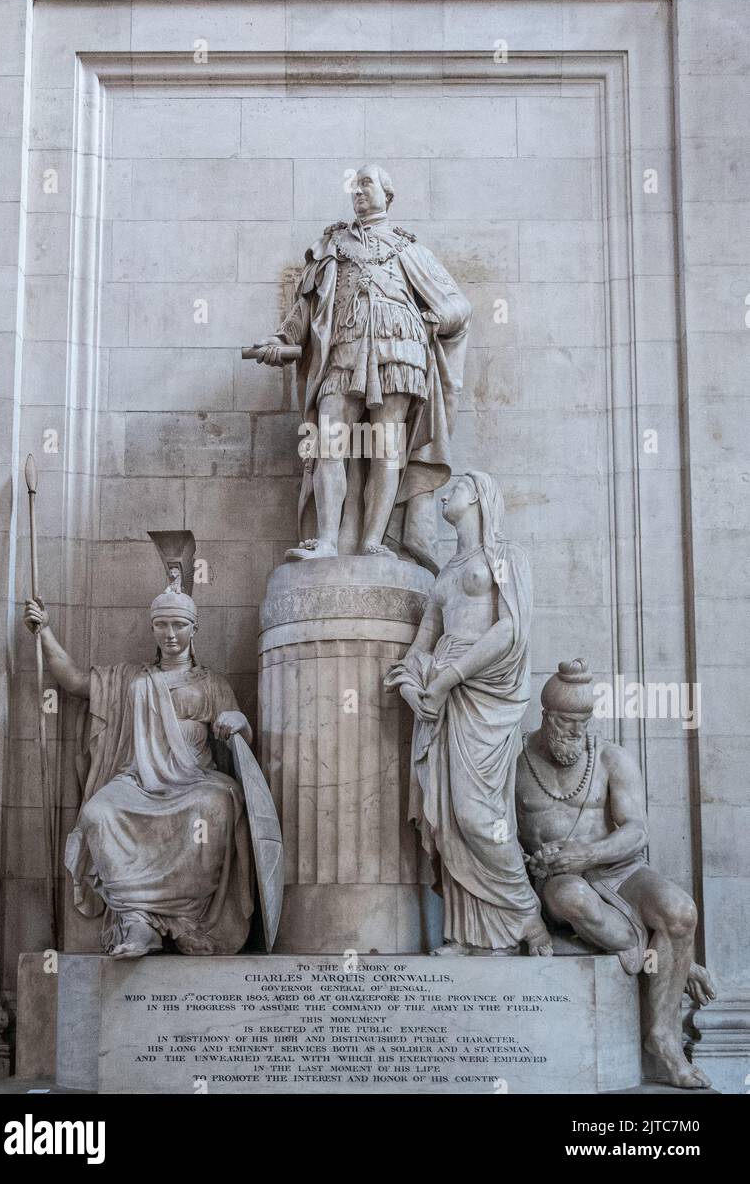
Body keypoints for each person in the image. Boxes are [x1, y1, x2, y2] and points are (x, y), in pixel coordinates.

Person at [252, 162, 471, 568]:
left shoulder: (410, 250)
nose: (358, 191)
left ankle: (373, 540)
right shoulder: (331, 245)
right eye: (354, 185)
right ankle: (327, 541)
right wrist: (282, 339)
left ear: (388, 193)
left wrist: (432, 320)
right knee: (328, 443)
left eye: (366, 183)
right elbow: (307, 306)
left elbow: (458, 304)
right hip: (345, 349)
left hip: (399, 352)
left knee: (386, 449)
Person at [23, 585, 254, 959]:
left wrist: (238, 719)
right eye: (162, 625)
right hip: (138, 781)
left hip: (195, 781)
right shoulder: (131, 679)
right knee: (98, 813)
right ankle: (137, 920)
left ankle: (185, 919)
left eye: (179, 625)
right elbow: (75, 682)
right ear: (153, 629)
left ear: (194, 630)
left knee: (216, 805)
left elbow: (243, 740)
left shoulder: (212, 683)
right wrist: (44, 630)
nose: (170, 634)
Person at [516, 659, 716, 1088]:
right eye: (567, 724)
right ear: (547, 716)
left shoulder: (610, 758)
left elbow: (636, 831)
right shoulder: (515, 762)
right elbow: (498, 838)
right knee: (574, 898)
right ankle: (673, 961)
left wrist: (587, 852)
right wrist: (535, 867)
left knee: (680, 911)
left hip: (621, 871)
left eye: (583, 723)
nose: (576, 733)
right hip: (558, 882)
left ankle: (662, 1037)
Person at [384, 470, 552, 955]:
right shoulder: (445, 574)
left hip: (484, 695)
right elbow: (421, 644)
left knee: (478, 816)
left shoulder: (505, 556)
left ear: (478, 497)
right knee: (450, 819)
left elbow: (511, 630)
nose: (445, 495)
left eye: (455, 488)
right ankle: (470, 935)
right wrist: (414, 686)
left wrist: (449, 677)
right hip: (443, 702)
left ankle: (526, 915)